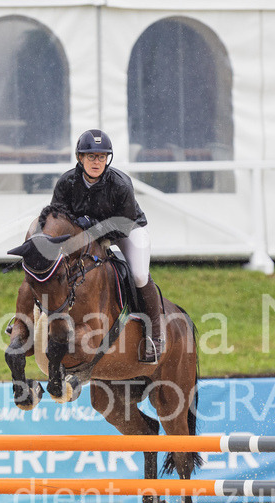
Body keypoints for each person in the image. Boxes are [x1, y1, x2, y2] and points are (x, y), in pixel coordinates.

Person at [50, 129, 164, 364]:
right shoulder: (67, 182)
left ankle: (156, 335)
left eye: (102, 157)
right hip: (86, 235)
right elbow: (57, 218)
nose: (97, 162)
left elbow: (123, 225)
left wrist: (94, 230)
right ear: (80, 158)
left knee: (140, 274)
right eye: (91, 156)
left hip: (127, 230)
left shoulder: (120, 184)